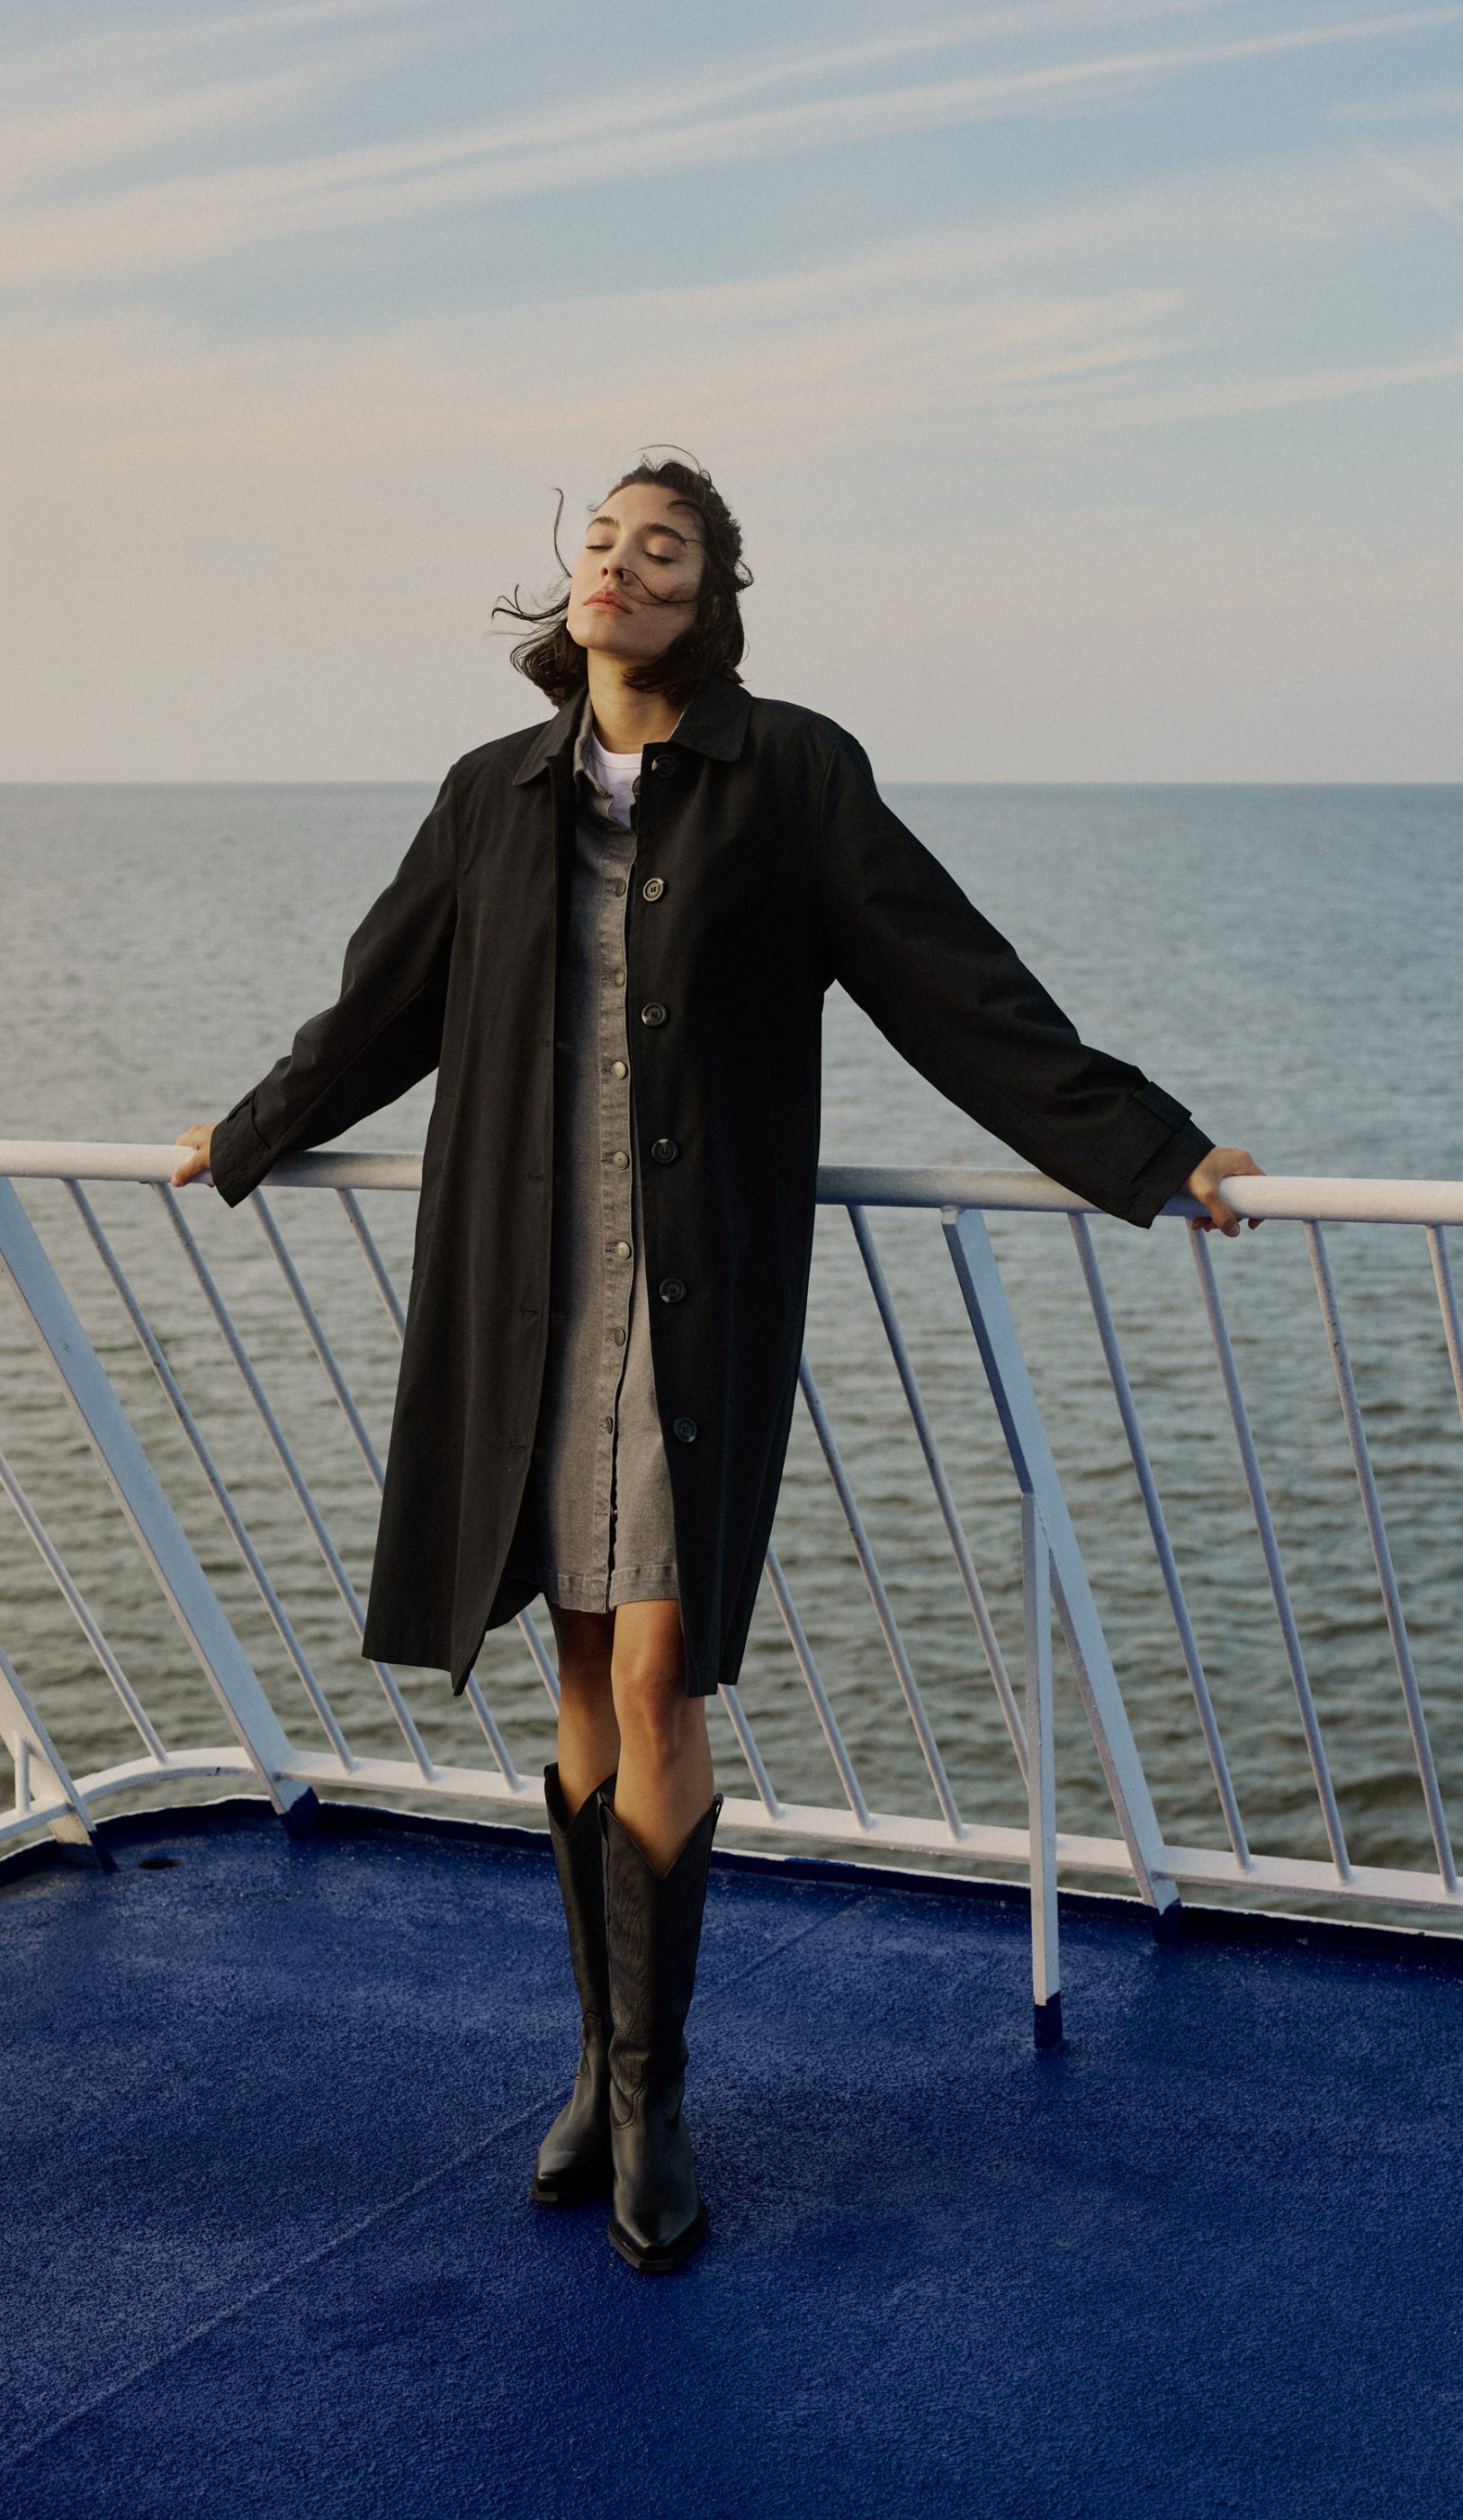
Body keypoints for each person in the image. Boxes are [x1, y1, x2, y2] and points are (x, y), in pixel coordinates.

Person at [174, 455, 1261, 2277]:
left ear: (711, 593)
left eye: (658, 546)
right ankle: (597, 2069)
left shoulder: (794, 775)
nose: (617, 563)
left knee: (664, 1667)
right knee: (585, 1667)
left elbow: (950, 982)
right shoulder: (488, 794)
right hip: (527, 1289)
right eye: (598, 540)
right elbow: (380, 1005)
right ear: (570, 587)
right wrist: (255, 1128)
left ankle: (659, 2098)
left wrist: (1153, 1149)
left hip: (692, 1291)